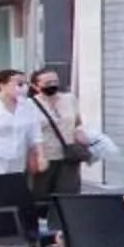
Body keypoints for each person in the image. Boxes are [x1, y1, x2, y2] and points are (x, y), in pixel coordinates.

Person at [22, 68, 100, 198]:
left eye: (55, 81)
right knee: (40, 195)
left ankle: (64, 218)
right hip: (44, 157)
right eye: (47, 83)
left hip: (69, 155)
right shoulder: (28, 105)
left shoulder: (69, 99)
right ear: (35, 86)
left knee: (68, 195)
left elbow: (77, 123)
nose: (52, 85)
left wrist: (81, 134)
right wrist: (32, 158)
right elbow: (26, 134)